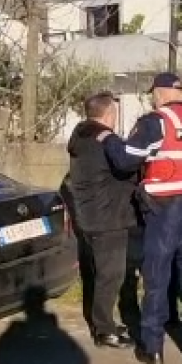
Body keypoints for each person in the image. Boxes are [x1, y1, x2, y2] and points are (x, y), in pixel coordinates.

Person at [98, 72, 182, 364]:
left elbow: (127, 158)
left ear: (162, 93)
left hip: (164, 208)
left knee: (156, 277)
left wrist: (109, 139)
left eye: (154, 93)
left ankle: (152, 348)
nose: (152, 98)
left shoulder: (155, 122)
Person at [61, 91, 140, 349]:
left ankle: (100, 322)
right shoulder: (107, 140)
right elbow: (127, 166)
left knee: (96, 274)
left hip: (88, 216)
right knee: (111, 275)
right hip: (109, 217)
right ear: (108, 114)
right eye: (115, 113)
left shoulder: (80, 137)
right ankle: (105, 330)